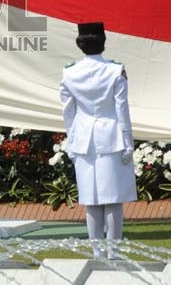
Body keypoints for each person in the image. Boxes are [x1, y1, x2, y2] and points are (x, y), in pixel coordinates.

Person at [60, 22, 136, 259]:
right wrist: (128, 141)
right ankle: (113, 251)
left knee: (91, 199)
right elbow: (122, 109)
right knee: (113, 199)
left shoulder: (70, 71)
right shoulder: (115, 70)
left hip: (83, 137)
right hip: (111, 134)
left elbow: (68, 112)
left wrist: (71, 140)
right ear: (103, 43)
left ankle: (97, 251)